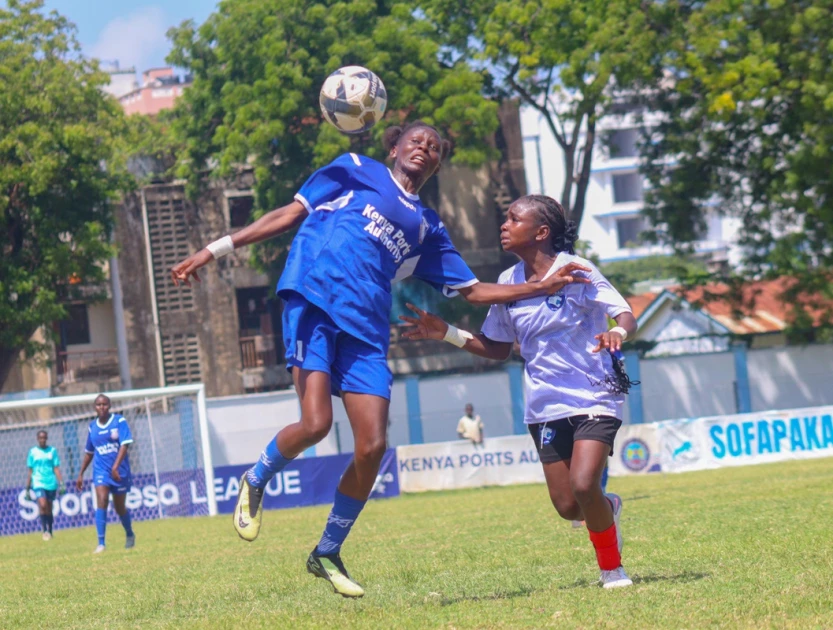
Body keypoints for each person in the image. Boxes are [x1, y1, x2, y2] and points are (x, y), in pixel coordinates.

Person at [170, 121, 590, 598]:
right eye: (416, 141)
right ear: (394, 147)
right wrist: (213, 249)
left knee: (372, 447)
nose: (425, 149)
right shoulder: (354, 169)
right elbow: (287, 215)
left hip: (367, 331)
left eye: (434, 147)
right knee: (315, 424)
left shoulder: (429, 227)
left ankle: (327, 550)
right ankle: (256, 477)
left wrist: (539, 286)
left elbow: (473, 291)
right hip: (314, 300)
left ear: (438, 163)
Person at [400, 194, 639, 589]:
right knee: (568, 507)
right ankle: (606, 508)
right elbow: (496, 347)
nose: (504, 225)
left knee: (584, 485)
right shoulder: (508, 284)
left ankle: (612, 569)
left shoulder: (576, 270)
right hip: (544, 405)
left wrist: (617, 330)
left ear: (542, 232)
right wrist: (446, 332)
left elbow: (625, 312)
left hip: (595, 394)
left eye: (513, 218)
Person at [75, 394, 136, 553]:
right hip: (101, 471)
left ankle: (129, 534)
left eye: (104, 404)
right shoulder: (92, 427)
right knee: (101, 499)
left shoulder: (119, 421)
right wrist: (81, 473)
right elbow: (89, 452)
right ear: (94, 407)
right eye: (98, 404)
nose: (101, 407)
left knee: (119, 507)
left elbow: (124, 445)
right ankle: (101, 543)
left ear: (109, 406)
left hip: (120, 471)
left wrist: (115, 467)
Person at [25, 430, 64, 541]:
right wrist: (27, 488)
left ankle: (50, 530)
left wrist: (61, 482)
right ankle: (44, 531)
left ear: (46, 438)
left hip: (50, 482)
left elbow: (56, 468)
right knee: (42, 505)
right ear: (37, 439)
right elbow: (30, 470)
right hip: (38, 482)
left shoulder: (52, 451)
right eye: (40, 438)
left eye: (44, 438)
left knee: (49, 508)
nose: (42, 440)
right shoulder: (32, 452)